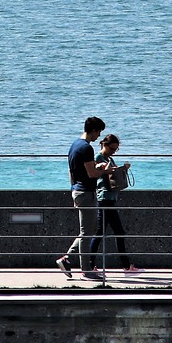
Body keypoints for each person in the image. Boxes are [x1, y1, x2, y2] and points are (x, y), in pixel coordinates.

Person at [56, 116, 114, 279]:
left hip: (77, 190)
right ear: (94, 130)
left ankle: (66, 259)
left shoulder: (75, 145)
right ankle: (86, 269)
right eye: (99, 132)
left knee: (87, 230)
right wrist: (105, 171)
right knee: (86, 232)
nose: (98, 137)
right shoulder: (87, 148)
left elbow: (76, 170)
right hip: (86, 192)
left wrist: (97, 166)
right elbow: (92, 174)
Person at [87, 134, 141, 274]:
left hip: (110, 198)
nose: (113, 151)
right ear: (104, 144)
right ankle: (124, 265)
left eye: (116, 149)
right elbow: (97, 174)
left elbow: (113, 175)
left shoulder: (109, 158)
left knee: (104, 232)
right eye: (112, 148)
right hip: (104, 198)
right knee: (111, 232)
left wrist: (124, 169)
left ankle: (93, 265)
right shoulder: (99, 158)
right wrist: (106, 169)